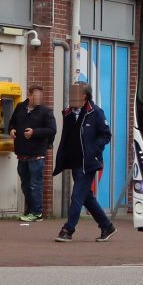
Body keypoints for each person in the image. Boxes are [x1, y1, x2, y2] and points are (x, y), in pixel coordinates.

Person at [55, 81, 115, 242]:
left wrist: (94, 150)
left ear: (84, 95)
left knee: (77, 195)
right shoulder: (68, 113)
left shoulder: (96, 112)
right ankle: (106, 225)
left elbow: (106, 135)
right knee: (86, 197)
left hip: (88, 163)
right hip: (74, 161)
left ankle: (68, 229)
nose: (71, 96)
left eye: (75, 92)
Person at [8, 84, 56, 223]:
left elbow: (52, 130)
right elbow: (12, 123)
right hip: (22, 154)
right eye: (36, 95)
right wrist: (11, 130)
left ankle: (37, 212)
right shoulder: (20, 107)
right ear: (29, 95)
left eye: (41, 95)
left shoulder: (46, 111)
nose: (39, 98)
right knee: (25, 184)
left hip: (37, 155)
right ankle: (30, 210)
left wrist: (34, 133)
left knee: (35, 184)